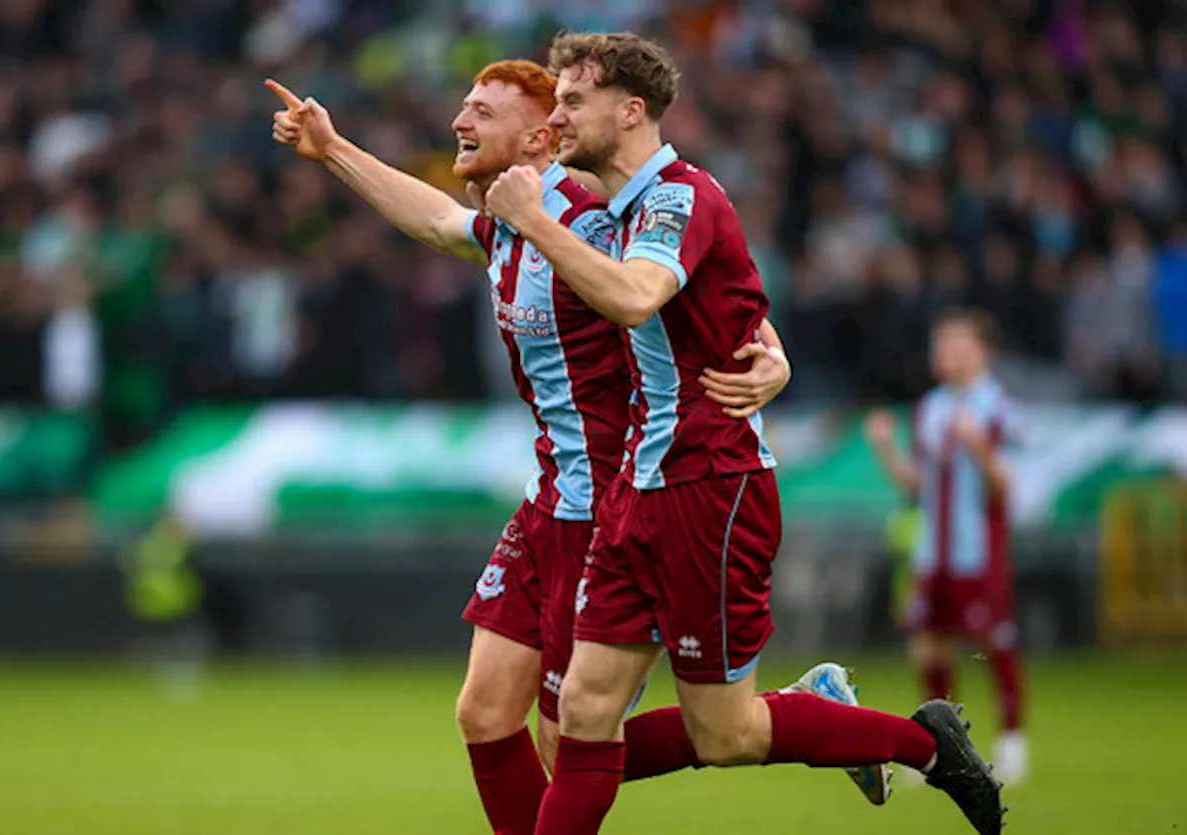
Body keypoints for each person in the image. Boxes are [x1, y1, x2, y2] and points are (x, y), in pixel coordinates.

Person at [267, 59, 885, 835]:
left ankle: (802, 714)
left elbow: (700, 287)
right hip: (550, 497)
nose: (460, 121)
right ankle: (797, 713)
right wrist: (334, 150)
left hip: (614, 504)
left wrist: (774, 351)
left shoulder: (591, 207)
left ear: (540, 134)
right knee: (485, 712)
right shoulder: (507, 216)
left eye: (482, 111)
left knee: (576, 744)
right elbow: (433, 220)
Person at [480, 32, 1005, 835]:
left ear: (630, 110)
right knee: (577, 719)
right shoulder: (614, 210)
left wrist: (533, 222)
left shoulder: (677, 197)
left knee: (726, 735)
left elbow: (634, 298)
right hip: (637, 486)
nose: (558, 115)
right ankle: (825, 711)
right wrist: (775, 355)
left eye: (573, 99)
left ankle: (922, 742)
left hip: (709, 486)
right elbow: (734, 308)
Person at [866, 307, 1028, 786]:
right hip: (931, 552)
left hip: (977, 551)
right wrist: (885, 449)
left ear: (984, 351)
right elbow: (919, 484)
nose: (947, 354)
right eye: (942, 345)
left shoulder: (1001, 409)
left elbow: (1008, 485)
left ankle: (1013, 740)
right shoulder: (930, 408)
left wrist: (979, 448)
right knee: (928, 646)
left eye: (957, 345)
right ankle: (935, 747)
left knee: (993, 640)